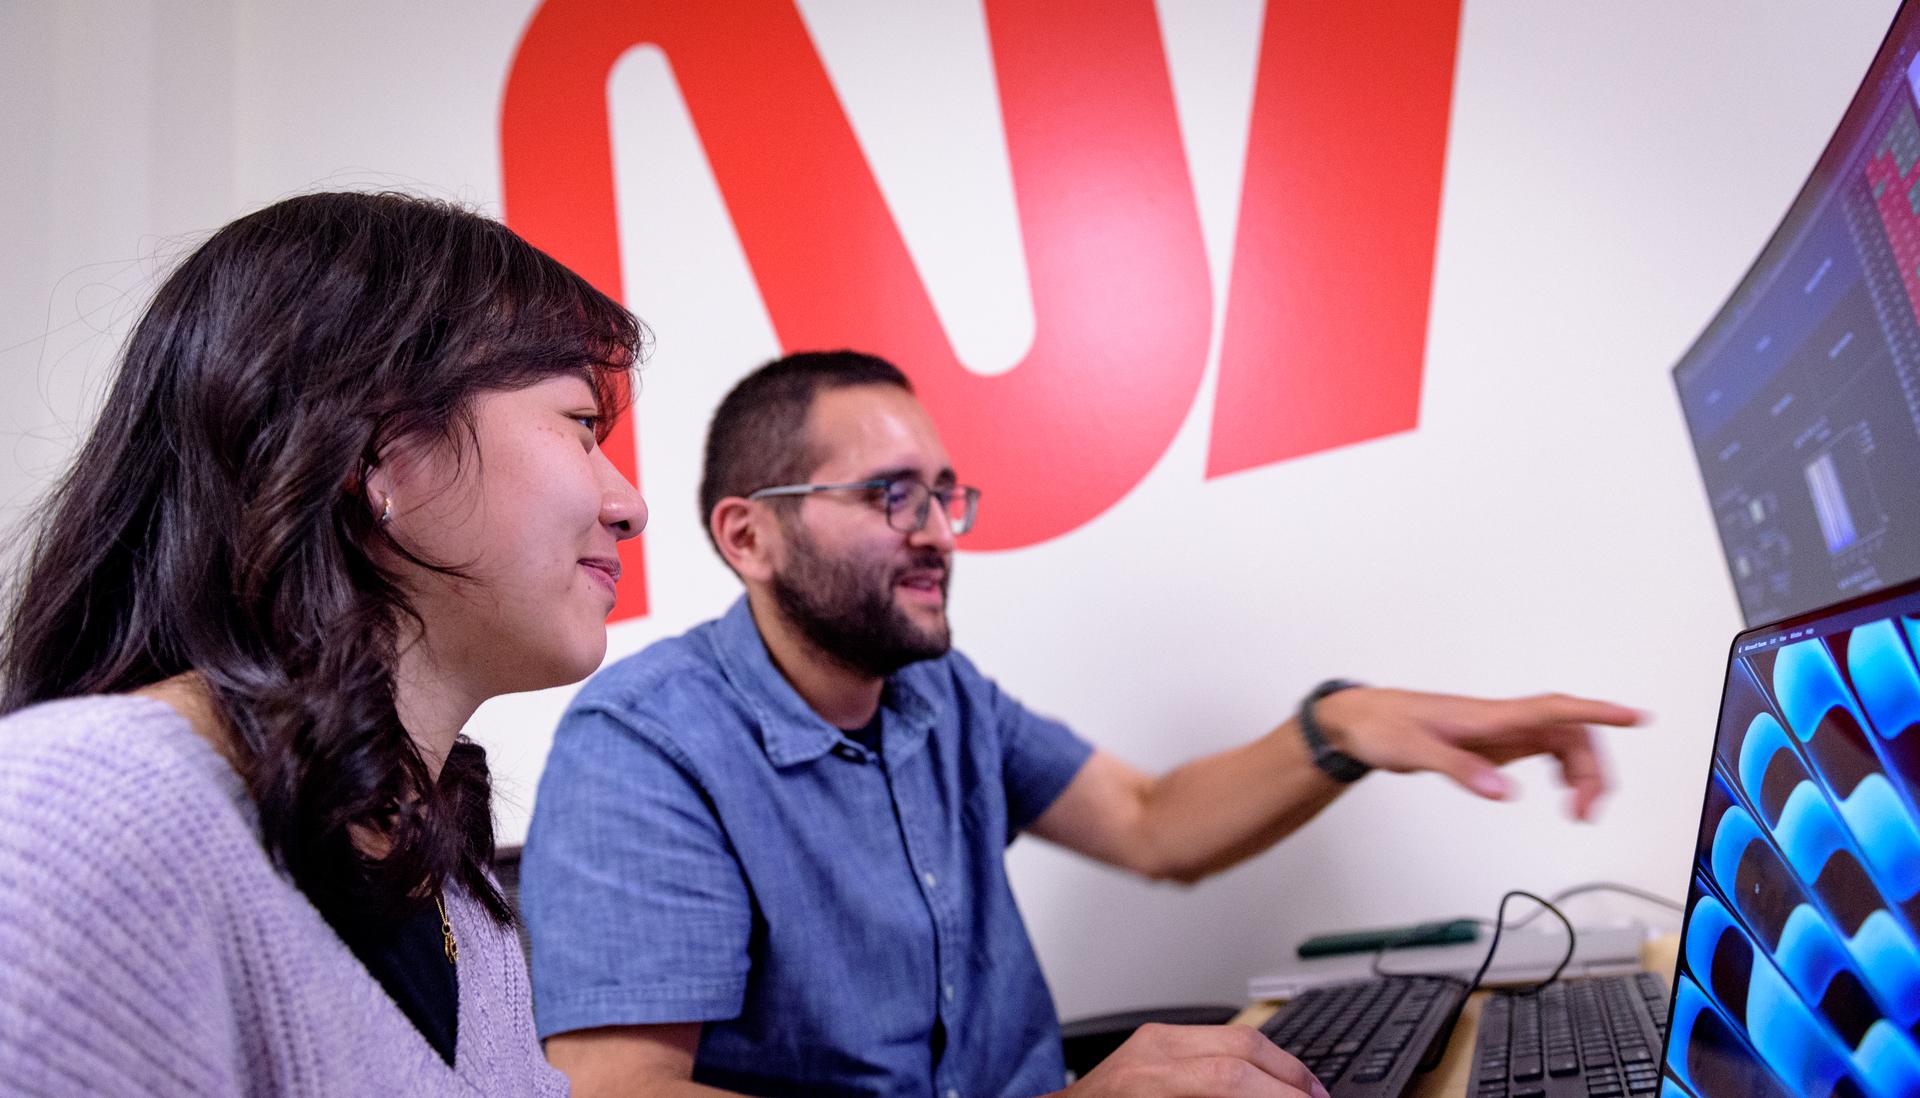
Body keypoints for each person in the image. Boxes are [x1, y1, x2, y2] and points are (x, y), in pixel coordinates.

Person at [521, 351, 1640, 1098]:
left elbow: (1153, 823)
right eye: (891, 495)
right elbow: (623, 1094)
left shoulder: (936, 694)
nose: (939, 533)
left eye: (945, 494)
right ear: (748, 538)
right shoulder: (643, 746)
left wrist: (1339, 727)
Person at [0, 191, 648, 1095]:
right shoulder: (82, 812)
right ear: (379, 448)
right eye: (582, 425)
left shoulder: (459, 893)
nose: (629, 506)